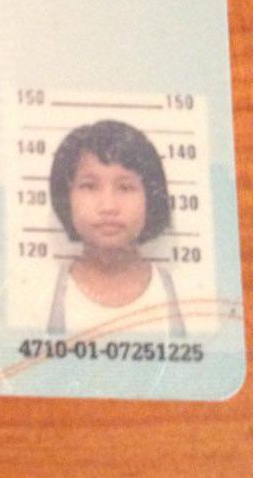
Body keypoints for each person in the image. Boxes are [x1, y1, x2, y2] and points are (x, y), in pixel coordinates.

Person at [47, 120, 185, 336]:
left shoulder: (186, 296)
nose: (108, 207)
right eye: (89, 186)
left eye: (125, 188)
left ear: (150, 197)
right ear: (66, 197)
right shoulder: (38, 295)